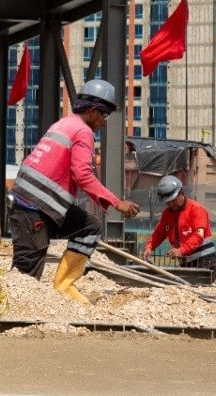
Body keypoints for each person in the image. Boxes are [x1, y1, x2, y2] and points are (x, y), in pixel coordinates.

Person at [8, 79, 141, 304]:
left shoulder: (62, 124)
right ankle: (13, 307)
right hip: (36, 206)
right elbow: (83, 175)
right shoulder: (83, 131)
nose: (103, 122)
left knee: (89, 226)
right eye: (104, 115)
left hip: (36, 201)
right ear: (92, 111)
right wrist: (116, 202)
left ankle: (63, 286)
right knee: (27, 269)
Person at [142, 175, 216, 280]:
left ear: (182, 193)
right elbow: (159, 233)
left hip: (205, 262)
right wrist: (149, 247)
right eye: (168, 202)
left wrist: (180, 251)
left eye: (173, 200)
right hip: (186, 262)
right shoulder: (167, 214)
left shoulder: (197, 210)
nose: (170, 204)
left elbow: (198, 236)